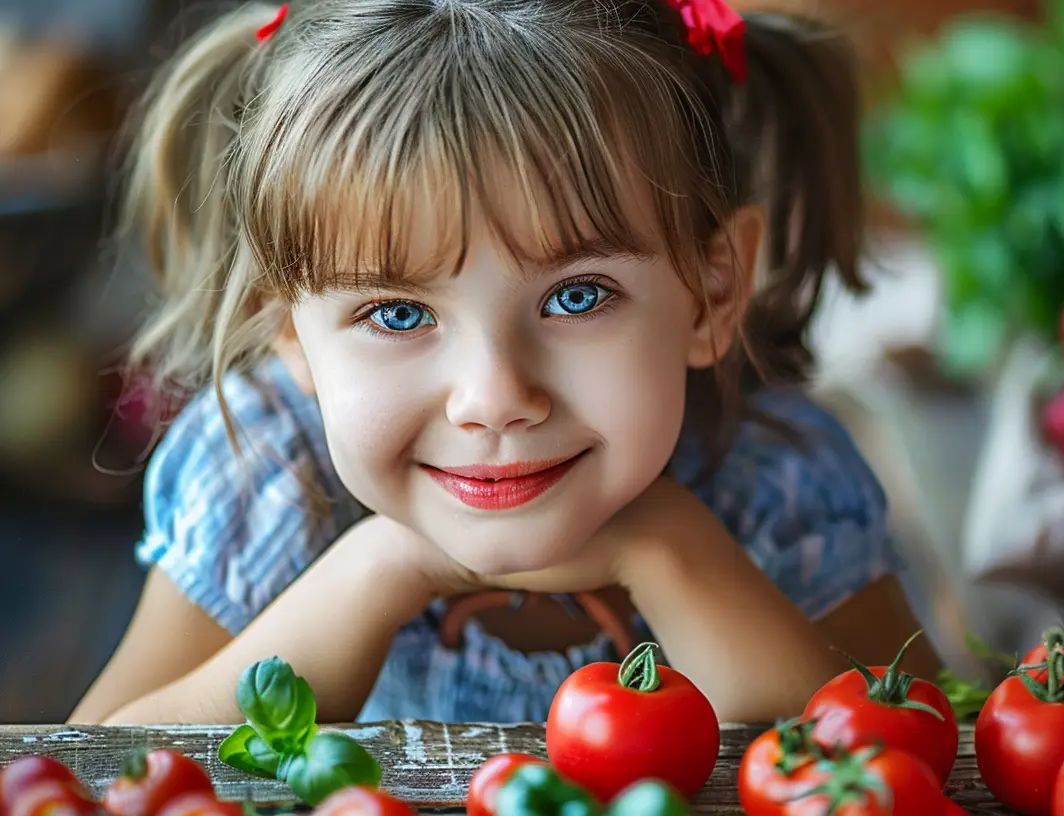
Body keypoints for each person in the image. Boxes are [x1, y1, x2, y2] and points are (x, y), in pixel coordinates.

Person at [69, 0, 936, 726]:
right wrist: (380, 572)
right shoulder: (269, 475)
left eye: (578, 297)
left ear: (712, 292)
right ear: (290, 335)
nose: (494, 400)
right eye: (397, 313)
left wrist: (672, 550)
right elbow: (96, 775)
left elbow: (913, 764)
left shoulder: (772, 480)